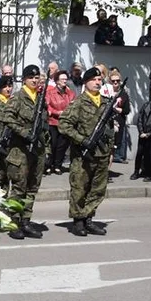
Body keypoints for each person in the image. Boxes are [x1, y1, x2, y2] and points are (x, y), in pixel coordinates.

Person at [58, 68, 112, 235]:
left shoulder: (105, 102)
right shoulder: (79, 102)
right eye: (94, 79)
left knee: (97, 189)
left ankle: (89, 218)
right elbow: (64, 125)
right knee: (80, 188)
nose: (97, 82)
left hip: (101, 153)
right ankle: (78, 221)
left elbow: (109, 130)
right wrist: (82, 140)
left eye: (99, 79)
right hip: (83, 154)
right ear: (86, 82)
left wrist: (110, 151)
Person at [3, 65, 48, 240]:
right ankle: (13, 222)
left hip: (37, 149)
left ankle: (25, 221)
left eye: (37, 78)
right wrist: (24, 133)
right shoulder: (18, 98)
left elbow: (44, 125)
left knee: (32, 188)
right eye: (31, 77)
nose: (35, 80)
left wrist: (46, 147)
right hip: (20, 151)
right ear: (24, 79)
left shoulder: (40, 98)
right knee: (19, 189)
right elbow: (7, 117)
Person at [46, 69, 75, 174]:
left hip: (65, 123)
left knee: (62, 145)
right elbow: (47, 106)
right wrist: (57, 112)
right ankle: (49, 164)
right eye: (62, 79)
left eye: (66, 79)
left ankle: (58, 165)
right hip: (53, 122)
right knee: (52, 144)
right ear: (57, 80)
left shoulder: (70, 93)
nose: (64, 81)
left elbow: (73, 106)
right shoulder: (50, 93)